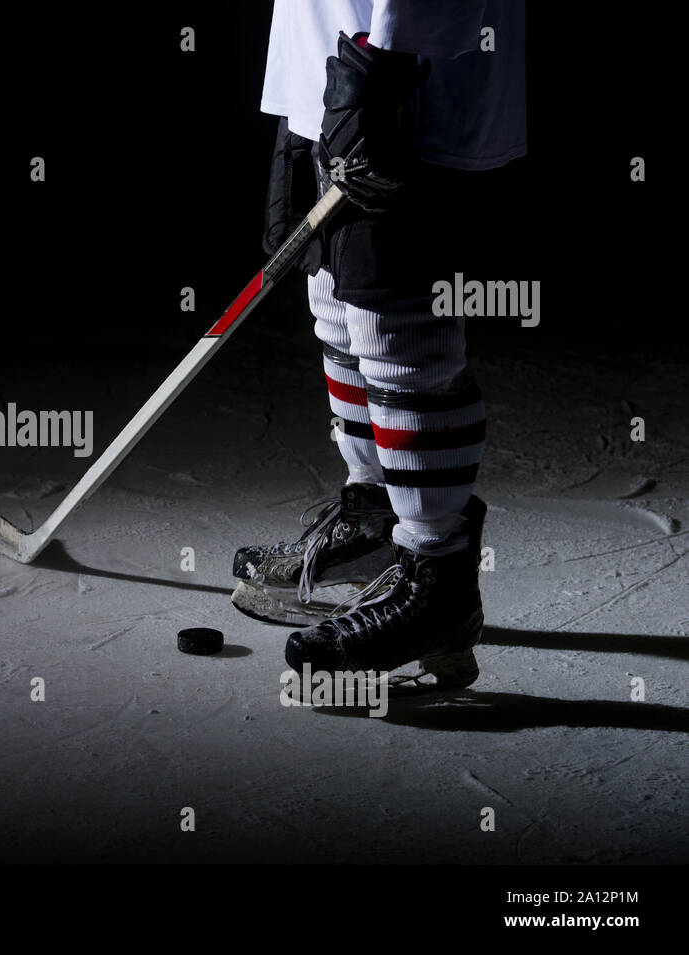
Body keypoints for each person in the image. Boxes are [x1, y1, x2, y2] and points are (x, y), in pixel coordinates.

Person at [232, 0, 526, 689]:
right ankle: (376, 521)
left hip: (401, 66)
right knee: (335, 295)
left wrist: (386, 60)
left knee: (394, 309)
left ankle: (437, 581)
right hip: (327, 59)